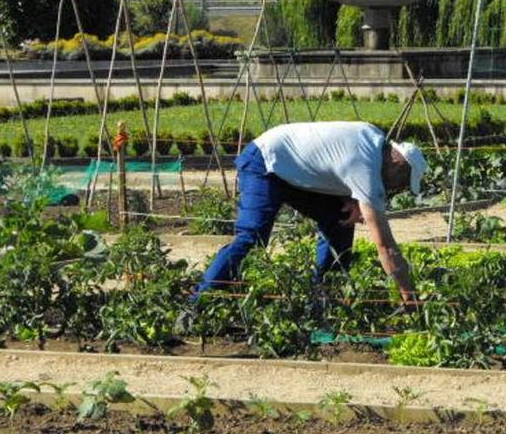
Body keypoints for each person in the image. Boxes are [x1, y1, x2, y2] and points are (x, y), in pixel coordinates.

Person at [176, 121, 428, 331]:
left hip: (292, 168)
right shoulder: (366, 166)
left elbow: (333, 157)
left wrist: (352, 197)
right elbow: (385, 246)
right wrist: (409, 296)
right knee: (252, 238)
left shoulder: (374, 139)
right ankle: (196, 305)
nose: (399, 189)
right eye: (403, 182)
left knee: (339, 218)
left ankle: (322, 304)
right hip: (265, 161)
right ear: (397, 164)